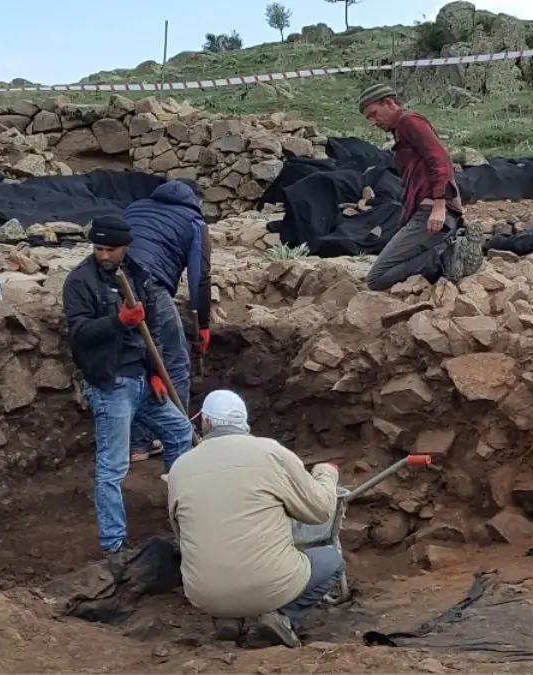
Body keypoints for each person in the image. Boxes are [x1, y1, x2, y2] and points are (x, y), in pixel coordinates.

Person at [63, 215, 195, 557]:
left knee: (180, 432)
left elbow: (152, 333)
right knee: (113, 466)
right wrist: (117, 321)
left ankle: (184, 519)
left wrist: (154, 372)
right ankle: (113, 545)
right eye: (99, 248)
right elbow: (79, 334)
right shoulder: (80, 282)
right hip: (110, 382)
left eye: (110, 249)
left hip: (141, 378)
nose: (104, 255)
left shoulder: (138, 276)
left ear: (125, 247)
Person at [167, 390, 342, 648]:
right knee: (330, 560)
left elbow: (181, 533)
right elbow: (320, 511)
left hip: (204, 594)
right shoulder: (271, 453)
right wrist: (326, 474)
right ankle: (283, 617)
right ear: (244, 422)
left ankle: (227, 619)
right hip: (271, 587)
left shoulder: (179, 467)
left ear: (205, 422)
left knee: (216, 546)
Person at [357, 83, 484, 291]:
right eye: (368, 118)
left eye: (373, 114)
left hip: (430, 213)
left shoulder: (409, 121)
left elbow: (440, 159)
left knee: (376, 278)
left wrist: (439, 205)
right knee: (389, 268)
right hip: (426, 213)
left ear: (389, 103)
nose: (372, 122)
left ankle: (446, 254)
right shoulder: (400, 130)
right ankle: (449, 247)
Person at [124, 179, 211, 418]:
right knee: (174, 360)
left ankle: (138, 444)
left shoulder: (134, 208)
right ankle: (178, 434)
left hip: (112, 284)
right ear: (197, 201)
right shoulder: (194, 221)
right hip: (151, 286)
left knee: (132, 360)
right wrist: (203, 325)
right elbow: (200, 278)